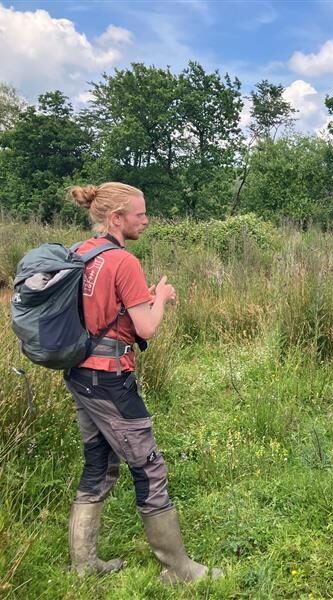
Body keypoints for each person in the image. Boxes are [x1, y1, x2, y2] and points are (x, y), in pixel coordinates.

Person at [64, 183, 221, 582]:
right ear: (117, 218)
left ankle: (83, 565)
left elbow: (100, 313)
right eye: (140, 214)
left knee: (98, 465)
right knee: (149, 467)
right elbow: (146, 327)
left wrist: (142, 300)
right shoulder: (123, 261)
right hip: (109, 379)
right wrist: (162, 297)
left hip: (81, 375)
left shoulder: (82, 253)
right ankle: (178, 568)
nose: (146, 220)